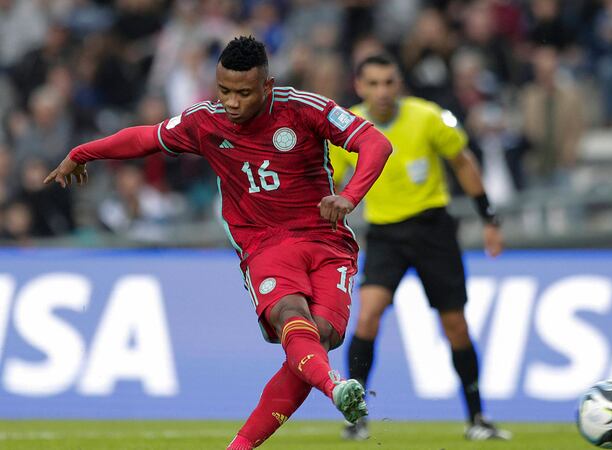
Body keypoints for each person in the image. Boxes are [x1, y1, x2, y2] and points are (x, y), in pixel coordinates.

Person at [44, 36, 393, 450]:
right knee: (289, 315)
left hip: (326, 240)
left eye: (243, 93)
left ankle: (283, 416)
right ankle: (329, 389)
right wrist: (84, 152)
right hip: (265, 243)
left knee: (317, 339)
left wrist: (350, 195)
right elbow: (145, 138)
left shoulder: (304, 108)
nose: (230, 101)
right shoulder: (203, 121)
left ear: (267, 86)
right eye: (223, 90)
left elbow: (376, 142)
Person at [329, 54, 511, 441]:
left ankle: (477, 419)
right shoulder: (347, 128)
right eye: (373, 83)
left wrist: (489, 219)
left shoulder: (427, 117)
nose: (382, 91)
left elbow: (463, 162)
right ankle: (355, 417)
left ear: (400, 85)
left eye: (389, 82)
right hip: (385, 235)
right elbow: (326, 181)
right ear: (359, 87)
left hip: (433, 231)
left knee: (455, 326)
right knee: (367, 317)